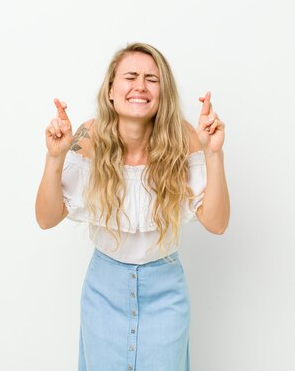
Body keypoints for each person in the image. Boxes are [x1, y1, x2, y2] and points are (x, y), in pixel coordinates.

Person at [35, 43, 230, 371]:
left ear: (162, 92)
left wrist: (214, 155)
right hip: (104, 291)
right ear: (111, 90)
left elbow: (218, 223)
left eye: (151, 79)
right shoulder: (88, 136)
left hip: (165, 292)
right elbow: (46, 218)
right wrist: (55, 158)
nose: (140, 86)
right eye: (130, 77)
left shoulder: (186, 137)